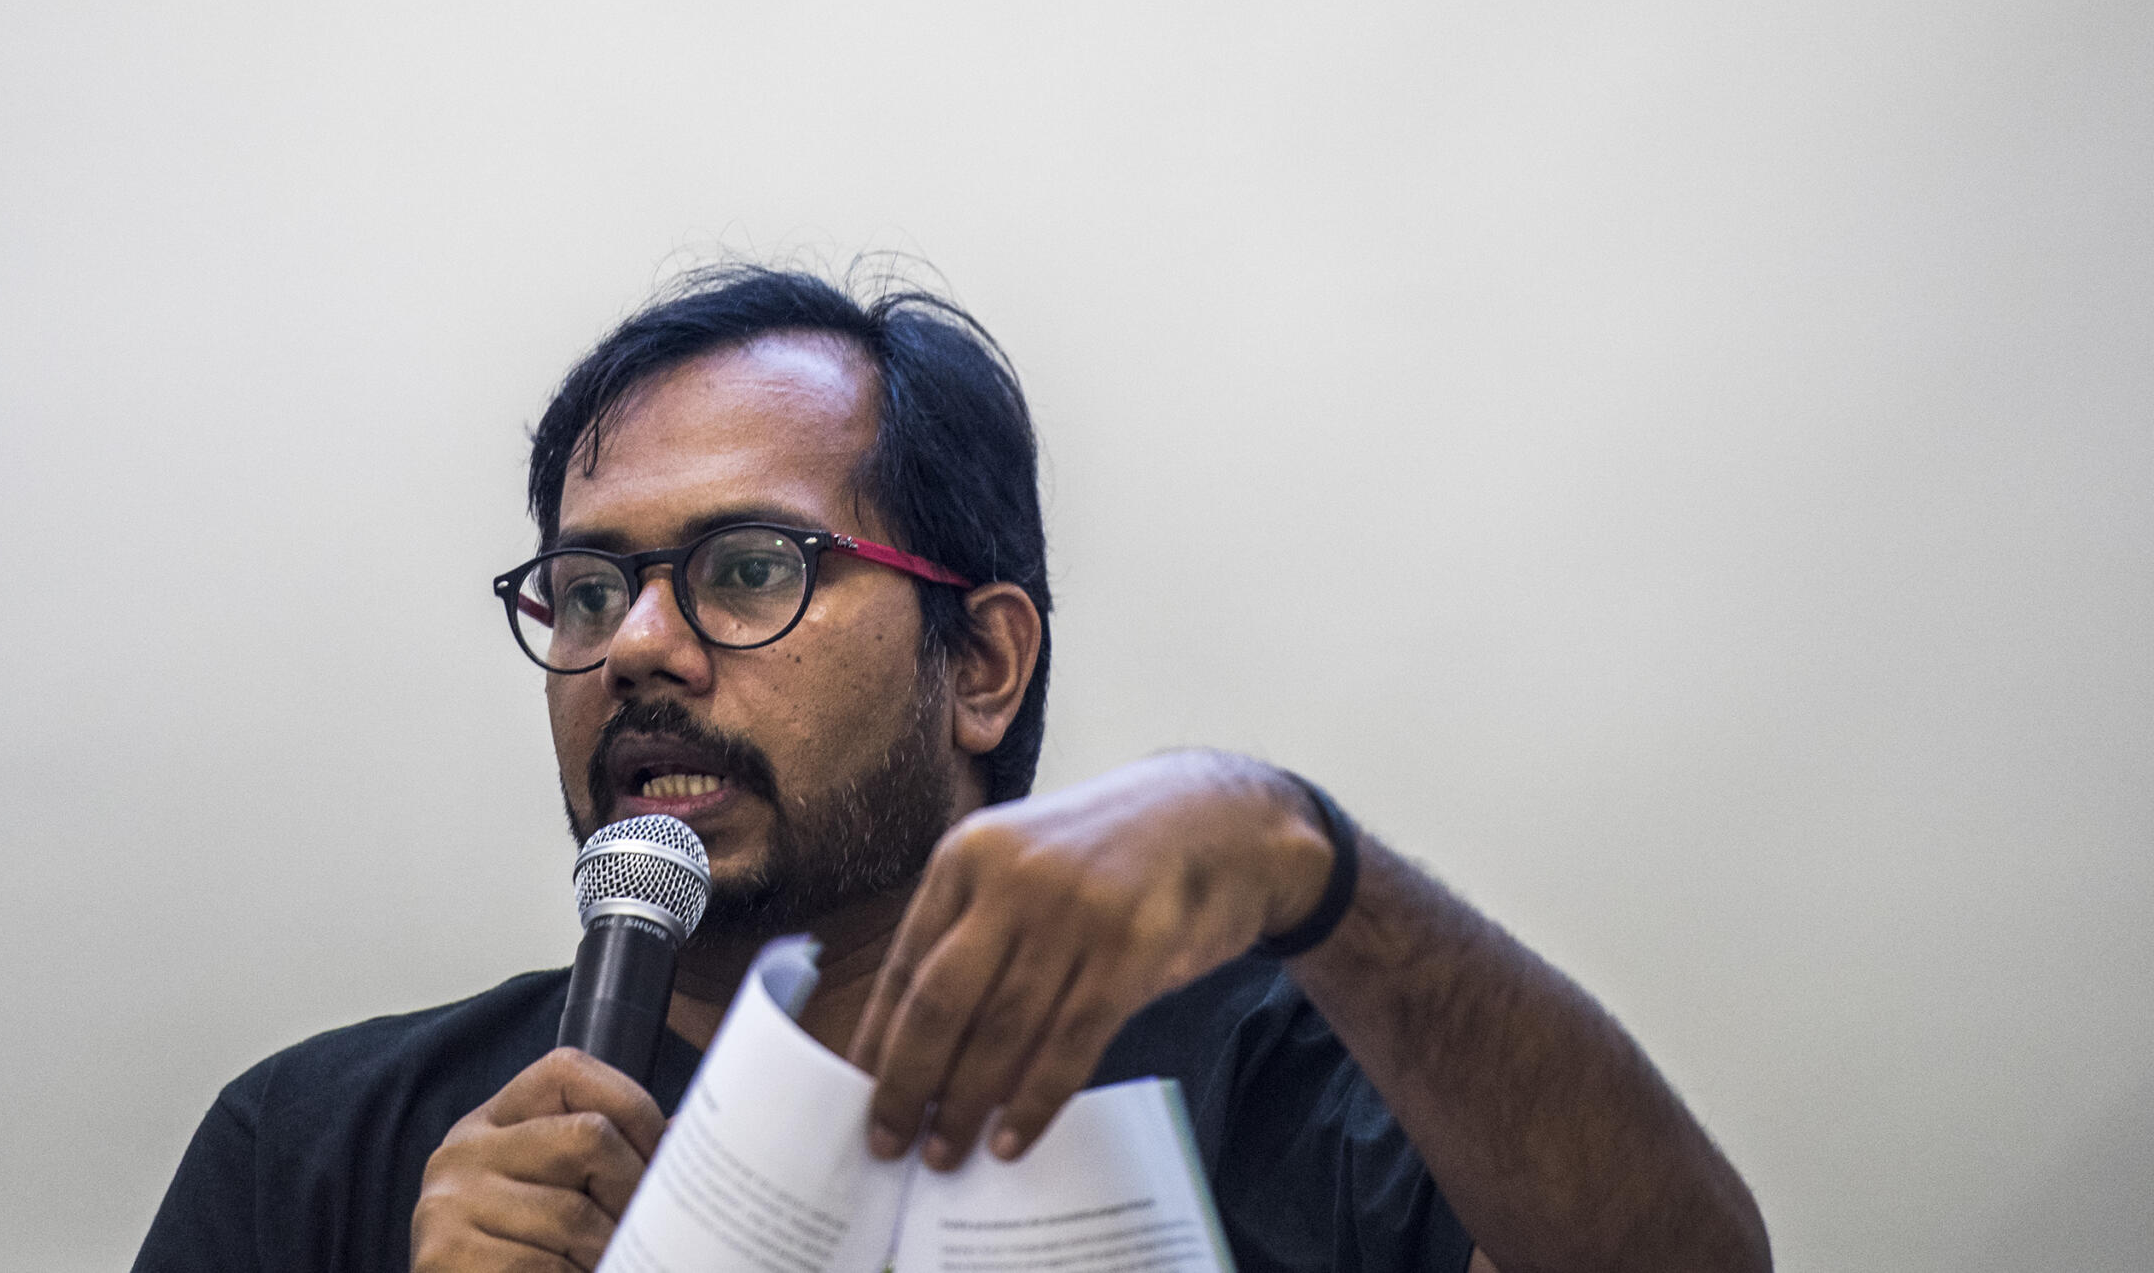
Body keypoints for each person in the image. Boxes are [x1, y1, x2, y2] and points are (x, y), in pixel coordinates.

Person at [133, 264, 1770, 1273]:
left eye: (748, 568)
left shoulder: (1264, 1080)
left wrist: (1309, 864)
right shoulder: (322, 1145)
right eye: (585, 586)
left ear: (980, 662)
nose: (635, 644)